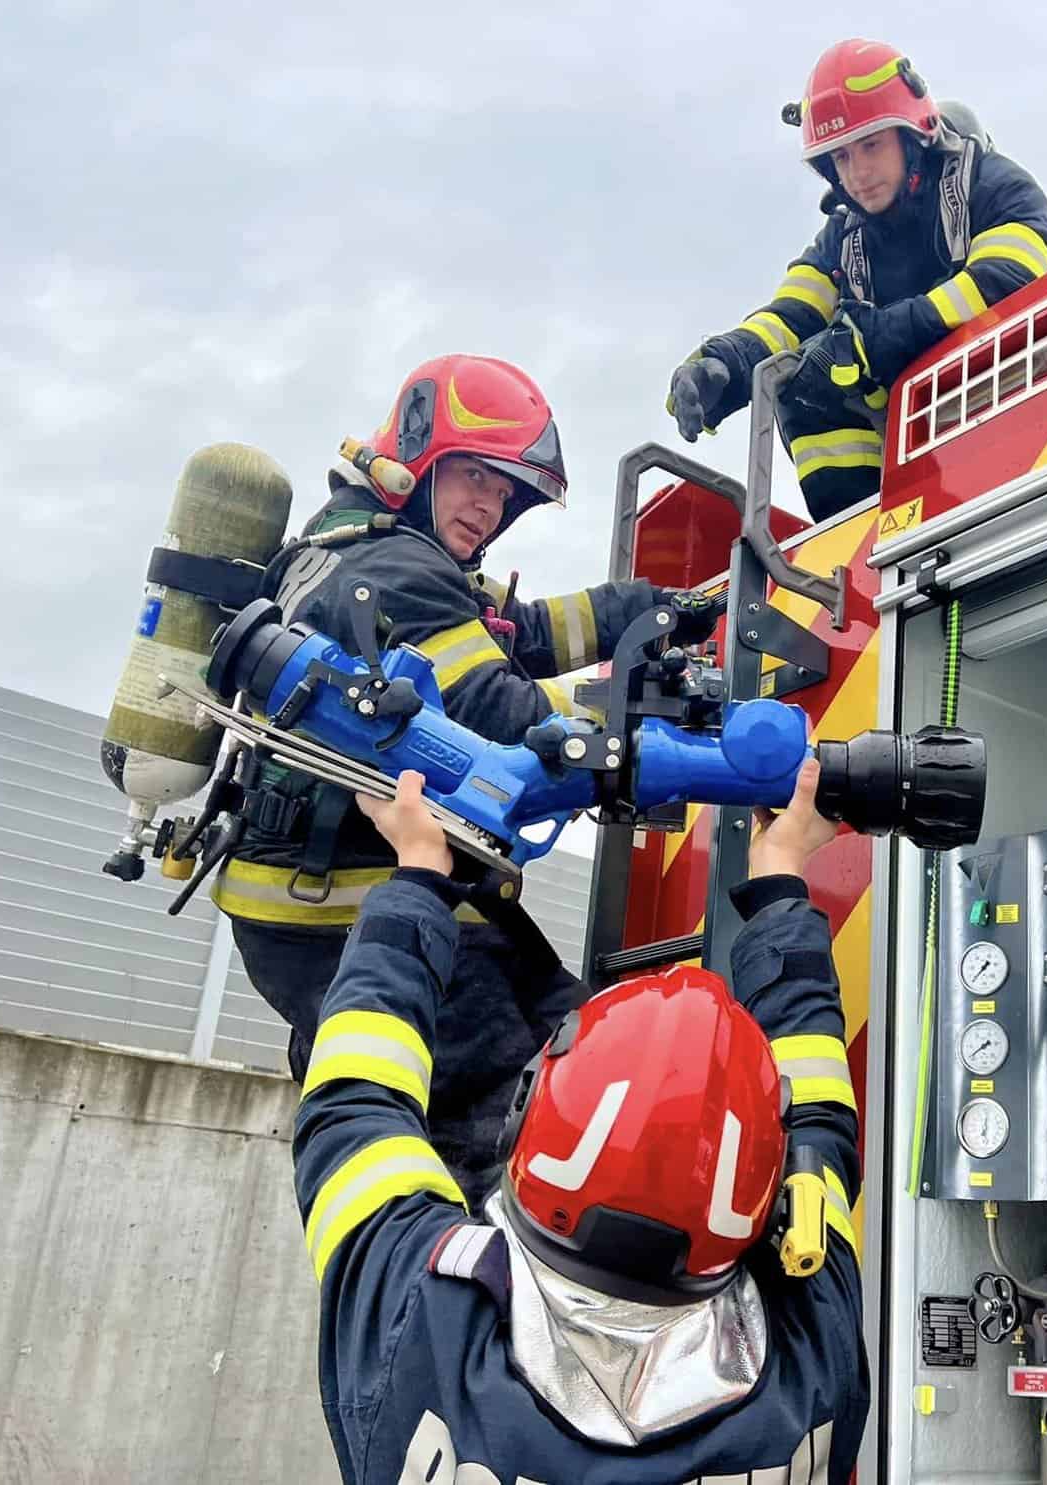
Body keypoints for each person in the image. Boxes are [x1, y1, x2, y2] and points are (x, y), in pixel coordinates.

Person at [212, 353, 720, 1206]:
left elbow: (512, 628)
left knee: (574, 1031)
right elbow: (505, 711)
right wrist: (674, 715)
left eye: (505, 492)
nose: (488, 506)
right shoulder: (394, 573)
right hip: (344, 909)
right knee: (513, 1111)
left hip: (344, 897)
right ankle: (489, 1304)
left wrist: (652, 608)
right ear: (419, 457)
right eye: (475, 477)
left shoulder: (362, 551)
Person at [292, 759, 867, 1483]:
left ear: (527, 1110)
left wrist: (417, 871)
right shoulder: (812, 1349)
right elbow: (351, 1105)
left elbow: (357, 1095)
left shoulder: (423, 1311)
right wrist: (780, 877)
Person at [667, 38, 1047, 522]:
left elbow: (1012, 276)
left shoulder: (987, 183)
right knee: (804, 377)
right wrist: (722, 366)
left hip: (1019, 418)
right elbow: (790, 317)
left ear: (912, 135)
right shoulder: (843, 237)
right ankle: (856, 533)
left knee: (829, 359)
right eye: (840, 157)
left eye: (871, 145)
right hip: (908, 456)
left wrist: (877, 339)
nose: (857, 173)